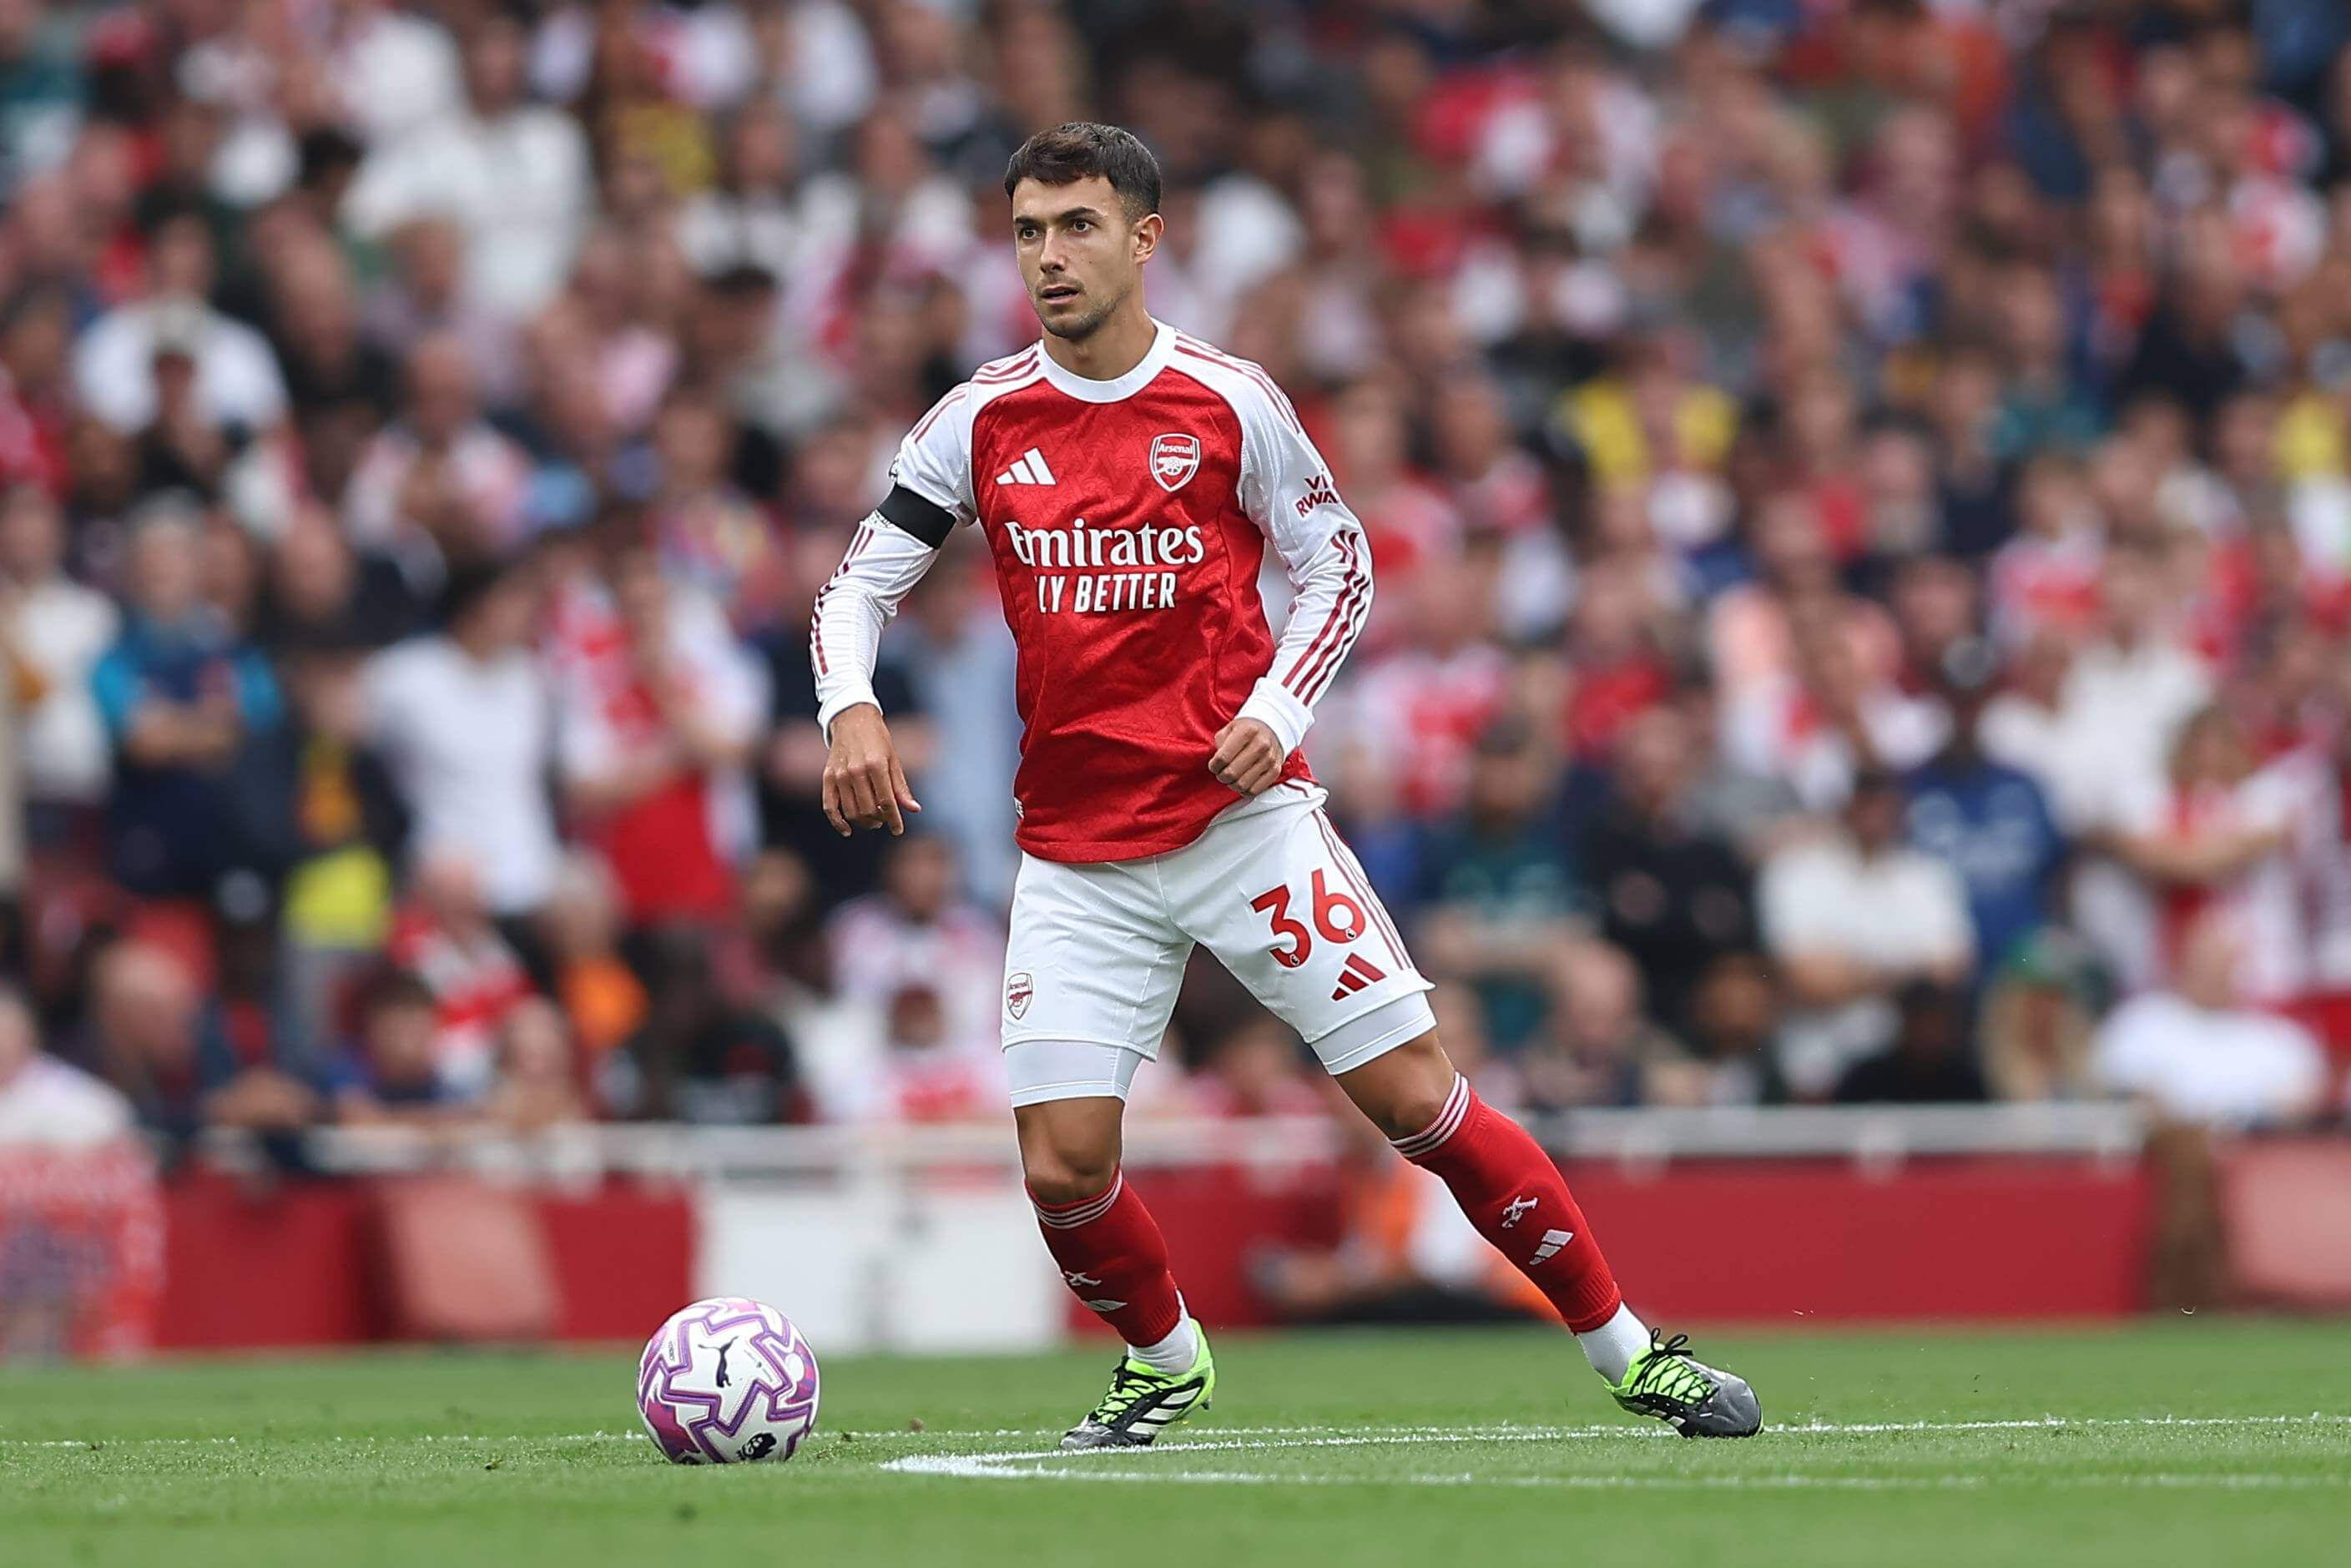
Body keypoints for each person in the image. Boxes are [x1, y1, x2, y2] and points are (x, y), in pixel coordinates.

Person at [809, 124, 1758, 1447]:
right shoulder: (977, 419)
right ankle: (1164, 1359)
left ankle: (1631, 1352)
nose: (1048, 256)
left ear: (1144, 239)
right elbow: (857, 583)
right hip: (1077, 852)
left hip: (1237, 824)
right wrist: (849, 703)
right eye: (1027, 230)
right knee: (1061, 1165)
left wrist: (1274, 707)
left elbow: (1341, 564)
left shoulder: (1226, 399)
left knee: (1417, 1104)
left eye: (1076, 226)